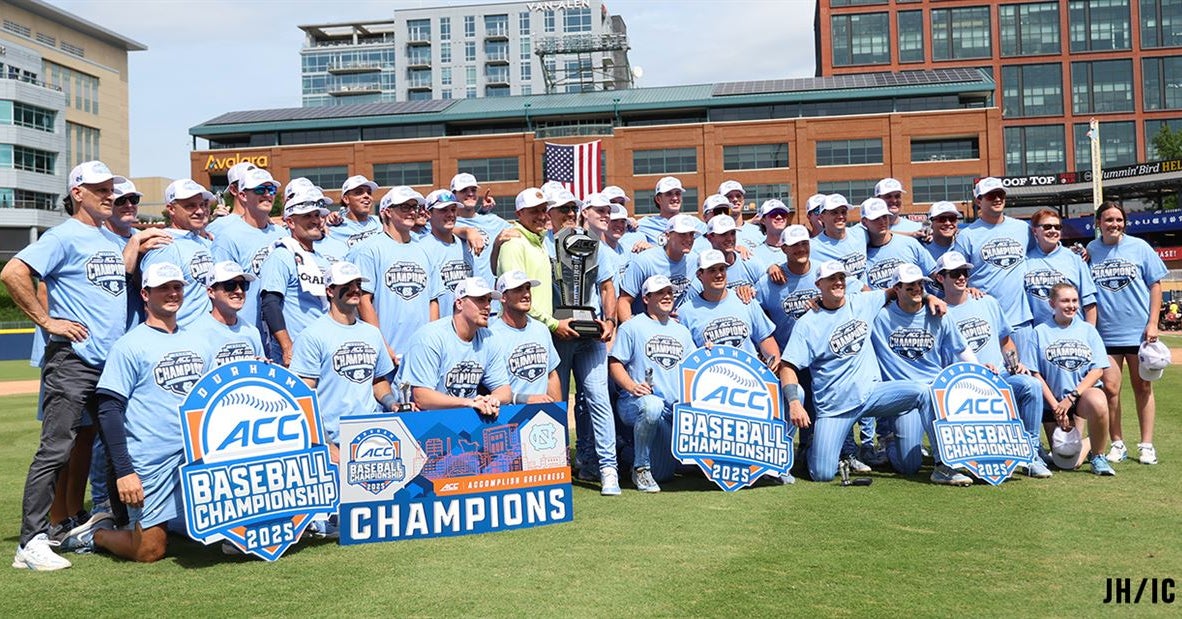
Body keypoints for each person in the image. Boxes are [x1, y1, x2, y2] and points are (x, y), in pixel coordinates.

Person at [3, 161, 132, 571]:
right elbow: (13, 271)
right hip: (73, 360)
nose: (108, 194)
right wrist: (46, 321)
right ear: (77, 193)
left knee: (113, 448)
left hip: (109, 363)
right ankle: (31, 541)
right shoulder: (62, 236)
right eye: (99, 189)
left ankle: (106, 522)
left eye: (111, 187)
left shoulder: (108, 238)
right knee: (56, 448)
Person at [77, 262, 211, 562]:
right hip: (152, 462)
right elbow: (109, 409)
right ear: (145, 294)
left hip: (197, 457)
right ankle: (96, 533)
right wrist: (125, 471)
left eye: (177, 287)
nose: (172, 293)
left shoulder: (201, 341)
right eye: (164, 288)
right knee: (149, 551)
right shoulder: (129, 345)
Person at [781, 261, 934, 482]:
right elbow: (788, 366)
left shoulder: (863, 302)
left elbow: (901, 289)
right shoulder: (807, 323)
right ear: (819, 284)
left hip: (872, 393)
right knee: (822, 474)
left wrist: (930, 297)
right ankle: (813, 446)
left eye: (841, 277)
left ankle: (941, 464)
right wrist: (794, 402)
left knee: (923, 392)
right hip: (835, 407)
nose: (838, 282)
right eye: (832, 278)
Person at [756, 225, 869, 473]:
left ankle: (847, 452)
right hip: (790, 357)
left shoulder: (823, 270)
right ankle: (803, 449)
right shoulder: (770, 280)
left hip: (824, 353)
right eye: (794, 245)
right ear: (783, 248)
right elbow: (755, 309)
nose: (801, 249)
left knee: (835, 400)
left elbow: (860, 291)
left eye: (804, 243)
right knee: (802, 404)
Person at [935, 251, 1052, 478]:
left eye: (964, 272)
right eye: (955, 273)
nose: (961, 277)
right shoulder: (938, 312)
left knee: (1031, 385)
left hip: (1000, 377)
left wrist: (1015, 364)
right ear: (940, 278)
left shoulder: (986, 301)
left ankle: (1030, 455)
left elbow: (1005, 341)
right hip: (964, 386)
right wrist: (973, 373)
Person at [870, 263, 976, 486]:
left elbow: (961, 349)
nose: (917, 289)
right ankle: (889, 441)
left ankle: (947, 466)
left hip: (938, 395)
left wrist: (980, 376)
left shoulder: (938, 314)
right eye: (910, 286)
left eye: (920, 284)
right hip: (903, 397)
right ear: (896, 288)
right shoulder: (879, 318)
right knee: (909, 466)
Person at [1086, 202, 1168, 465]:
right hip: (1105, 334)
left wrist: (1153, 322)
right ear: (1098, 223)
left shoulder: (1139, 247)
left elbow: (1156, 285)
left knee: (1143, 386)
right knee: (1110, 389)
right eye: (1109, 220)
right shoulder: (1091, 250)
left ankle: (1146, 445)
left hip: (1139, 332)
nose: (1114, 224)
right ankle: (1117, 443)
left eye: (1119, 220)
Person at [291, 261, 399, 455]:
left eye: (358, 284)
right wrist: (325, 442)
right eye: (347, 285)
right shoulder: (312, 335)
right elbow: (304, 395)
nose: (355, 289)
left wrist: (392, 403)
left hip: (371, 436)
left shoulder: (372, 333)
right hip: (333, 438)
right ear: (330, 291)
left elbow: (377, 381)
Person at [608, 275, 696, 492]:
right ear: (646, 299)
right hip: (635, 402)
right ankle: (640, 468)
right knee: (652, 406)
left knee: (664, 474)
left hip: (671, 411)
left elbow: (695, 367)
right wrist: (631, 386)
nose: (667, 296)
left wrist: (709, 351)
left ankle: (627, 454)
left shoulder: (682, 331)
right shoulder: (632, 327)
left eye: (669, 292)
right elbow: (614, 363)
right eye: (660, 293)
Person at [1025, 283, 1114, 475]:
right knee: (1066, 461)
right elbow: (1035, 374)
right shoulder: (1039, 332)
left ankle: (1098, 456)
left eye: (1074, 300)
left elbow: (1098, 370)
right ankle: (1088, 442)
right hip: (1053, 404)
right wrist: (1057, 406)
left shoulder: (1089, 331)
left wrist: (1071, 398)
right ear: (1052, 303)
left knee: (1099, 401)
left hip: (1079, 399)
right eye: (1065, 300)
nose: (1071, 305)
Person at [347, 186, 441, 367]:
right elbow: (363, 301)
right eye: (404, 207)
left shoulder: (425, 250)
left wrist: (432, 343)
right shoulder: (369, 249)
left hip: (420, 353)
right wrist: (381, 344)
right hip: (386, 351)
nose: (412, 212)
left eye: (414, 207)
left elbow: (433, 300)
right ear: (387, 212)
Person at [399, 277, 511, 415]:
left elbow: (504, 391)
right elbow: (422, 397)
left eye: (489, 300)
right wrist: (468, 403)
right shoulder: (430, 337)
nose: (487, 306)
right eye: (480, 299)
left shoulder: (489, 338)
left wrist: (492, 399)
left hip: (460, 417)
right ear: (459, 303)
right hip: (417, 420)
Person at [210, 167, 287, 340]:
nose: (268, 194)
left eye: (271, 190)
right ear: (243, 196)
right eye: (260, 190)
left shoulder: (283, 235)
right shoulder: (228, 237)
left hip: (278, 333)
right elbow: (219, 292)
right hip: (243, 331)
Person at [259, 184, 333, 365]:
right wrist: (287, 347)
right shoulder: (282, 255)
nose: (315, 220)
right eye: (307, 216)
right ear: (291, 222)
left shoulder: (322, 259)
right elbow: (270, 304)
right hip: (296, 355)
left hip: (324, 350)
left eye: (317, 215)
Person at [952, 177, 1032, 342]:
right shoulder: (967, 235)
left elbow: (1041, 253)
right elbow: (955, 273)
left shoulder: (1023, 228)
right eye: (990, 195)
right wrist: (966, 289)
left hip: (1020, 320)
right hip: (984, 322)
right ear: (979, 201)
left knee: (1025, 368)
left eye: (1000, 194)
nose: (997, 199)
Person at [138, 179, 216, 327]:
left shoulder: (205, 242)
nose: (199, 211)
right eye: (190, 206)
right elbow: (156, 303)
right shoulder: (164, 245)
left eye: (202, 205)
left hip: (209, 337)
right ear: (171, 209)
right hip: (182, 336)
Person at [679, 250, 779, 362]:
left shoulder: (745, 300)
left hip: (749, 375)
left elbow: (765, 338)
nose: (719, 275)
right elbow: (686, 356)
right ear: (700, 275)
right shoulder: (685, 312)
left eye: (722, 269)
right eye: (712, 270)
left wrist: (773, 360)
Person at [489, 271, 562, 404]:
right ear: (503, 297)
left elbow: (551, 376)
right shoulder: (492, 336)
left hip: (542, 416)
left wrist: (558, 414)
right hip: (508, 417)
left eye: (528, 288)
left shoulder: (541, 330)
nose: (527, 294)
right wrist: (524, 399)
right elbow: (490, 389)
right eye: (518, 290)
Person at [617, 213, 700, 322]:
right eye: (682, 234)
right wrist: (634, 333)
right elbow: (624, 301)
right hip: (646, 325)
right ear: (667, 235)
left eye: (691, 234)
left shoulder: (695, 260)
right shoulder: (645, 260)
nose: (689, 239)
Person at [1024, 208, 1097, 327]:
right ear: (1035, 231)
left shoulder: (1075, 259)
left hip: (1072, 331)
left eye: (1057, 227)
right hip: (1039, 334)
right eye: (1047, 227)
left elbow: (1089, 303)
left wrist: (1089, 334)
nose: (1053, 230)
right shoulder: (1025, 260)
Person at [192, 261, 264, 366]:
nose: (239, 291)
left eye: (243, 285)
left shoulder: (252, 332)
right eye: (230, 285)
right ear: (211, 292)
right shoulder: (196, 333)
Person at [421, 189, 475, 317]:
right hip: (438, 325)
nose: (450, 214)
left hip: (465, 326)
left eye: (453, 209)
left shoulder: (465, 245)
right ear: (428, 214)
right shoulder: (421, 247)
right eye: (443, 210)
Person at [861, 197, 936, 290]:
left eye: (884, 216)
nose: (882, 221)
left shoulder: (910, 243)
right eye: (876, 218)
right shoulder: (862, 254)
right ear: (864, 222)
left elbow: (934, 274)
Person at [811, 194, 868, 281]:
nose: (840, 216)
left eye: (843, 212)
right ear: (822, 217)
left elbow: (886, 234)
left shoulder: (861, 233)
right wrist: (781, 267)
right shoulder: (813, 246)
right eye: (834, 212)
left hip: (867, 294)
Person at [325, 175, 382, 249]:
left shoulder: (380, 222)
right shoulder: (334, 227)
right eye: (359, 192)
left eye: (369, 192)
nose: (366, 195)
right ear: (346, 199)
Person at [635, 176, 687, 242]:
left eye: (678, 193)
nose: (675, 198)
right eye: (669, 194)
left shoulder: (693, 223)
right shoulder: (645, 224)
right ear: (658, 199)